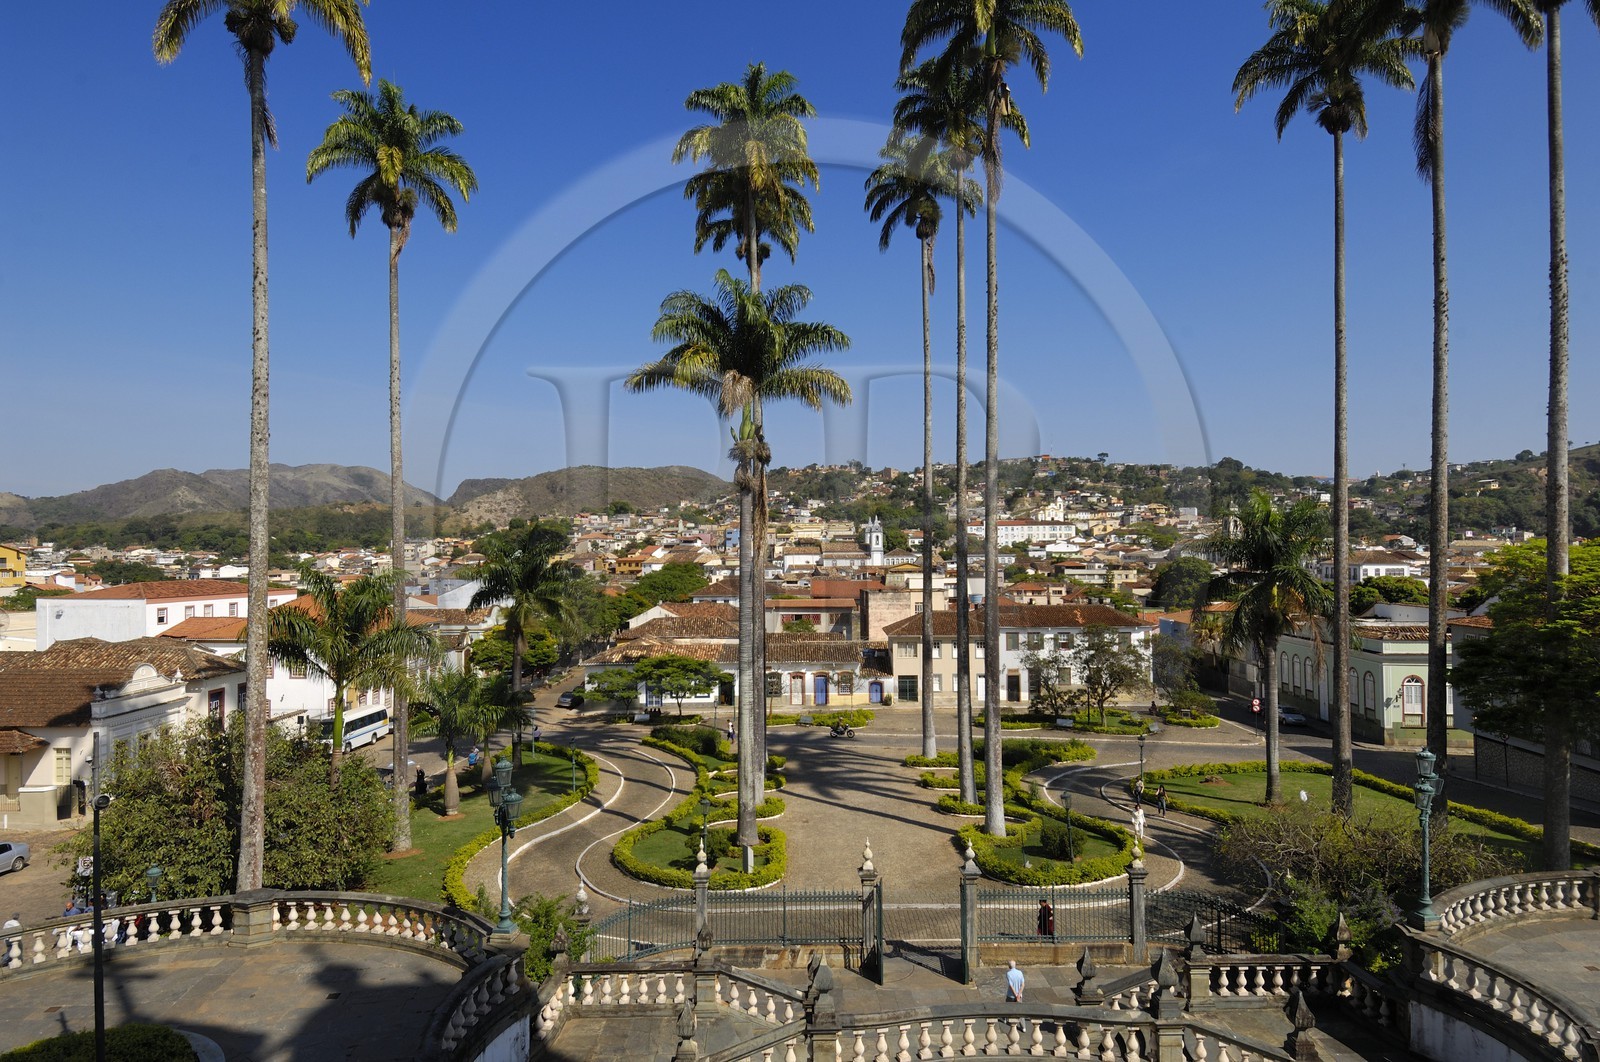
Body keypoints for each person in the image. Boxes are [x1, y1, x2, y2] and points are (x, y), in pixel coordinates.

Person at [1005, 960, 1028, 1032]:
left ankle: (1006, 1019)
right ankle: (1023, 1027)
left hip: (1011, 995)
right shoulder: (1020, 972)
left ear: (1009, 966)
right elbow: (1023, 985)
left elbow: (1011, 986)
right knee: (1020, 1011)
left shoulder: (1008, 974)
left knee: (1007, 1006)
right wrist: (1018, 995)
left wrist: (1015, 995)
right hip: (1019, 995)